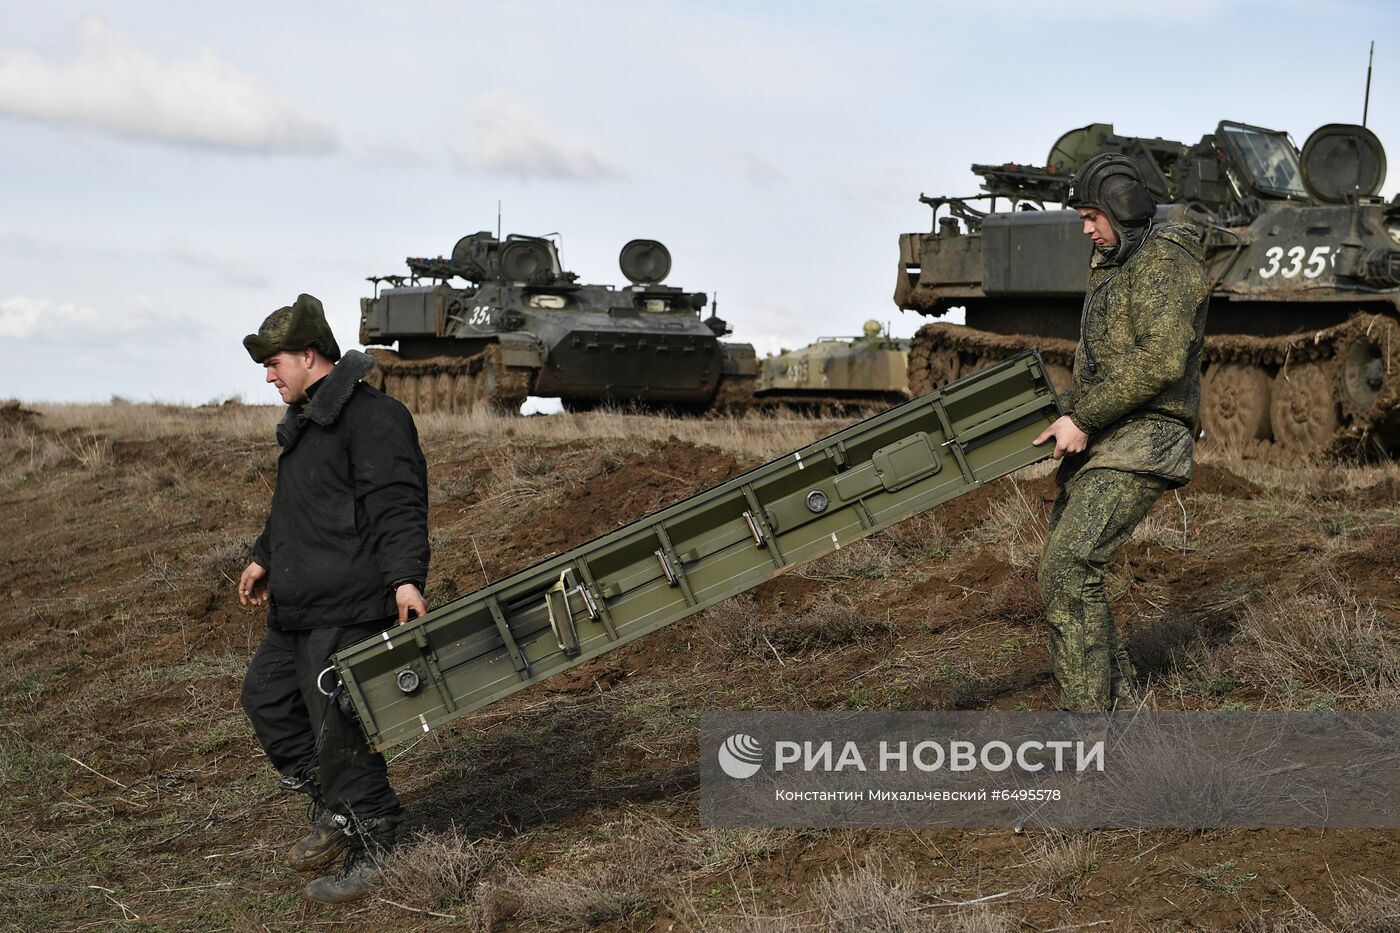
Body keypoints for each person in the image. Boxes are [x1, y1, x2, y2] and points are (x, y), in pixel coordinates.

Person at [236, 294, 429, 903]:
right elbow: (299, 504)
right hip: (296, 605)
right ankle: (340, 811)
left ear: (309, 355)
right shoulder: (307, 422)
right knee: (266, 701)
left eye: (274, 364)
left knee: (338, 730)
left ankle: (383, 840)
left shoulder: (374, 418)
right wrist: (266, 554)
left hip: (348, 605)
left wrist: (405, 578)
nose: (268, 377)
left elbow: (397, 503)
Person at [1032, 154, 1209, 712]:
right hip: (1114, 432)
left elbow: (1159, 360)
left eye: (1091, 215)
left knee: (1068, 567)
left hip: (1147, 436)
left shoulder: (1164, 260)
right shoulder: (1115, 258)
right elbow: (1104, 362)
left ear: (1123, 209)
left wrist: (1083, 418)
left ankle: (1086, 728)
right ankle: (1119, 697)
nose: (1086, 228)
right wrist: (1066, 412)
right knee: (1068, 568)